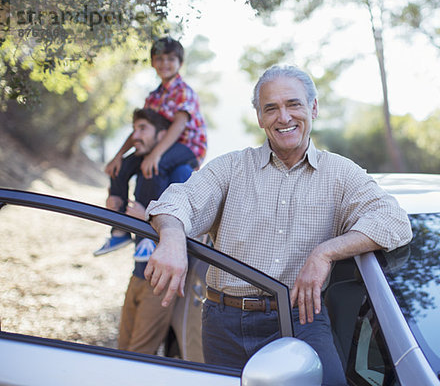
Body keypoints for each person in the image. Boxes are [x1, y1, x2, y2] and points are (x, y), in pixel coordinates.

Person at [144, 65, 412, 385]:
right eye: (271, 108)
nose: (283, 117)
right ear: (260, 118)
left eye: (293, 104)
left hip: (301, 319)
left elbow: (394, 220)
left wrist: (325, 253)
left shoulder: (341, 174)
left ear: (313, 108)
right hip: (222, 322)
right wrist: (172, 237)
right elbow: (178, 200)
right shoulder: (231, 167)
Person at [95, 36, 207, 255]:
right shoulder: (154, 96)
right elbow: (142, 129)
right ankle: (119, 229)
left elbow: (179, 124)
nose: (165, 63)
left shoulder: (184, 91)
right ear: (153, 62)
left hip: (187, 147)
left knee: (155, 165)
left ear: (180, 63)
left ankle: (149, 233)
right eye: (159, 58)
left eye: (170, 59)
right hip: (161, 146)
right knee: (123, 166)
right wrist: (119, 155)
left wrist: (156, 154)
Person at [114, 107, 194, 354]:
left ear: (162, 135)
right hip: (138, 271)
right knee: (121, 349)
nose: (135, 136)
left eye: (142, 129)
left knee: (139, 355)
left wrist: (145, 216)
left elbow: (192, 226)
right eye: (134, 129)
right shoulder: (142, 170)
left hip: (161, 279)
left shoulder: (181, 172)